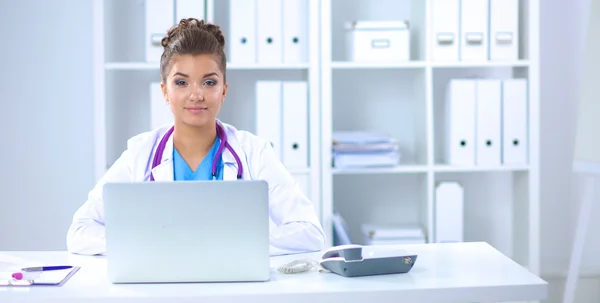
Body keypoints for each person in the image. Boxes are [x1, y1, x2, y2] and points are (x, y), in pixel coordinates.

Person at [66, 18, 325, 256]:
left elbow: (310, 233)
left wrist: (234, 242)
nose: (196, 94)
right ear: (165, 91)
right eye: (181, 82)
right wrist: (147, 242)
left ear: (224, 90)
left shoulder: (254, 152)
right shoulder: (140, 154)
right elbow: (80, 231)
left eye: (209, 82)